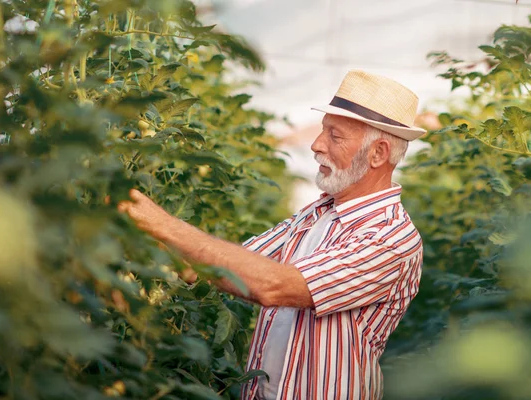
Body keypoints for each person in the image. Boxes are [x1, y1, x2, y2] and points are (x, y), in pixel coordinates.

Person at [118, 69, 426, 400]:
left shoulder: (391, 238)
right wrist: (124, 231)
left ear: (378, 153)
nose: (315, 145)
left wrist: (158, 221)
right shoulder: (315, 214)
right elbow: (227, 268)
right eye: (323, 131)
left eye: (335, 136)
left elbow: (273, 285)